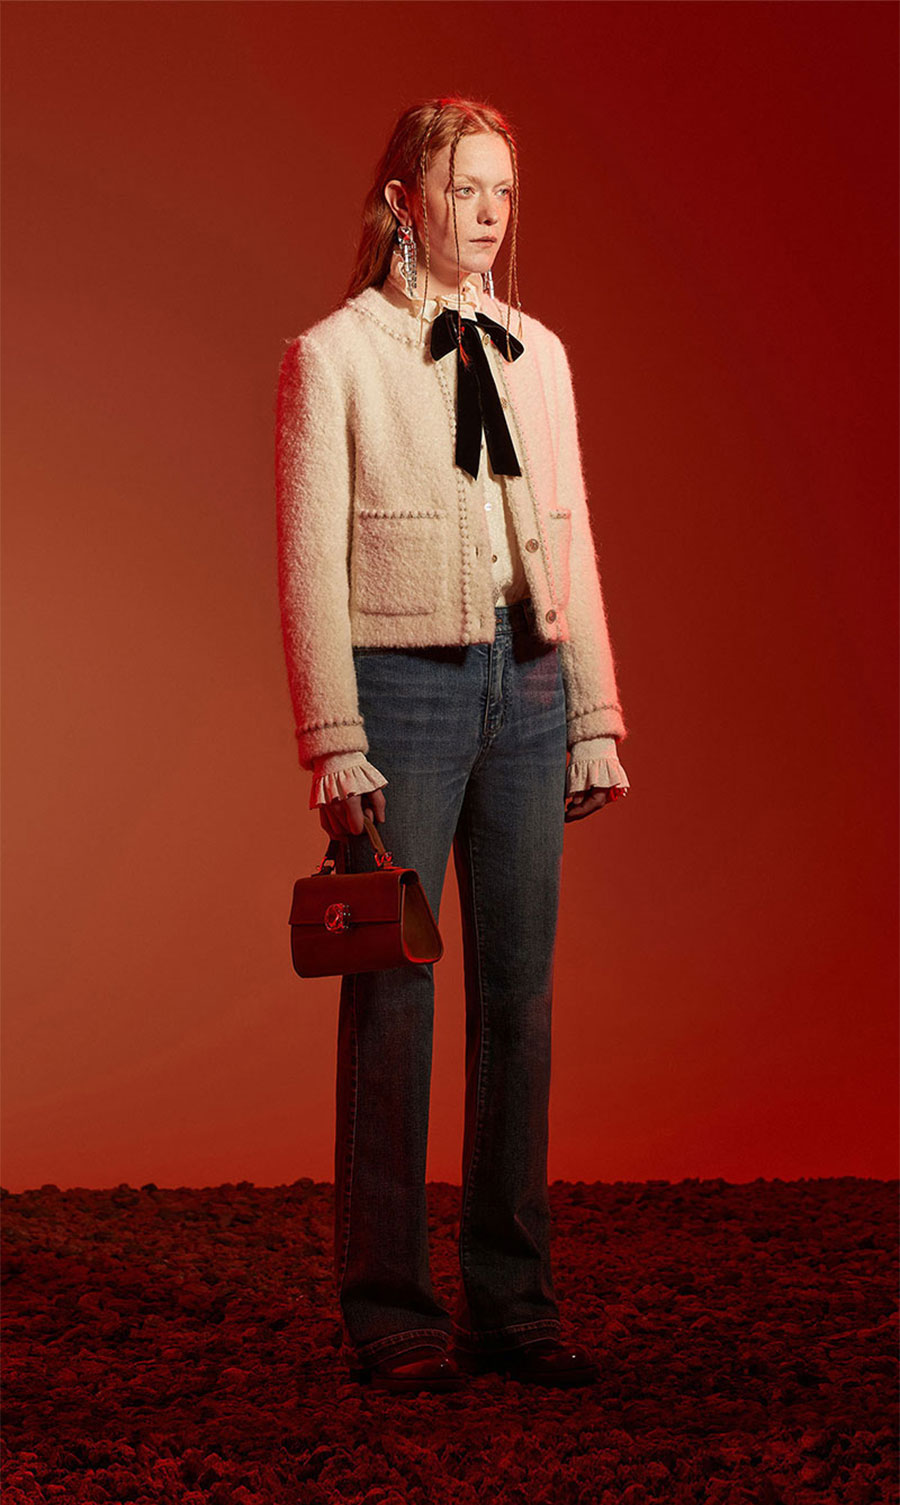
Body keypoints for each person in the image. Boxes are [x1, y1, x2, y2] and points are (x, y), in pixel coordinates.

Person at [275, 96, 631, 1395]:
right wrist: (334, 737)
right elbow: (308, 564)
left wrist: (592, 712)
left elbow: (569, 534)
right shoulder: (334, 357)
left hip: (527, 680)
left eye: (503, 190)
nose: (488, 212)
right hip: (404, 690)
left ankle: (512, 1303)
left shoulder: (540, 354)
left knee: (520, 999)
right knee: (394, 995)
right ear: (402, 200)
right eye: (463, 186)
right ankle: (390, 1309)